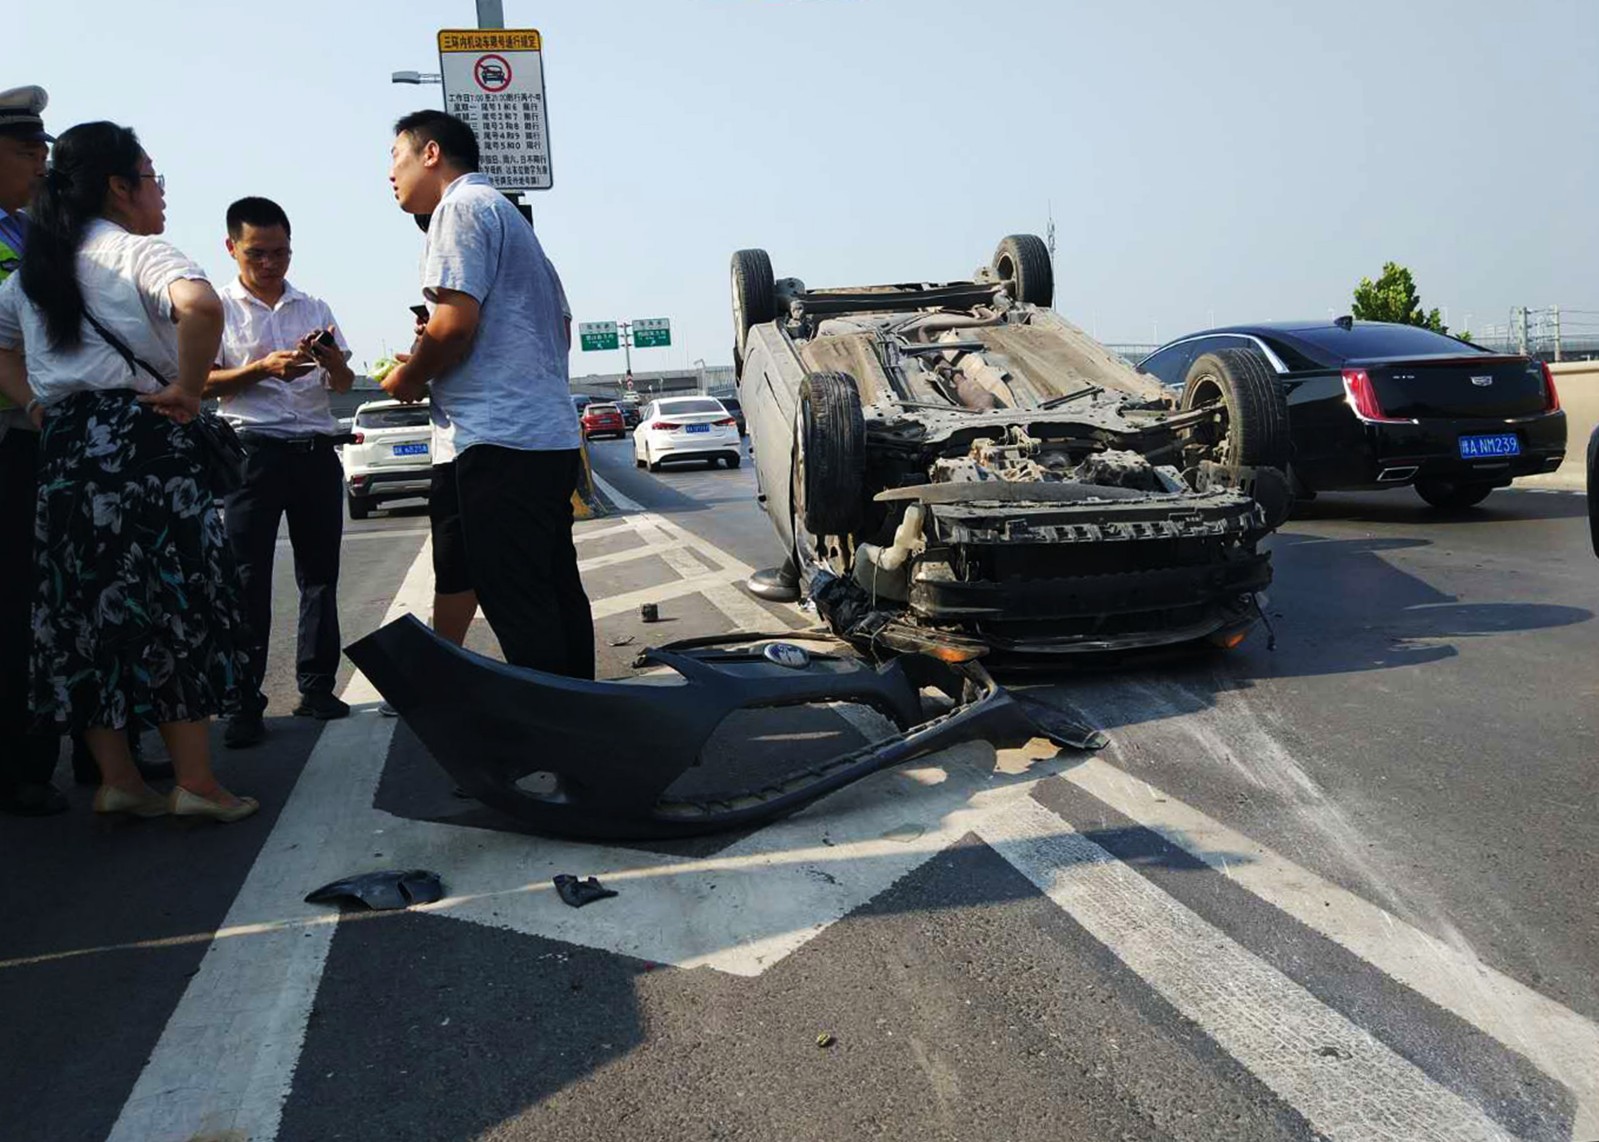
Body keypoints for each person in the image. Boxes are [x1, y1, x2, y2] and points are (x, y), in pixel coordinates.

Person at [0, 121, 257, 822]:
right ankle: (198, 784)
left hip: (66, 452)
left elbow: (2, 347)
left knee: (85, 612)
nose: (161, 195)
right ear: (119, 188)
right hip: (143, 441)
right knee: (172, 607)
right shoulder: (138, 252)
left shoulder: (35, 269)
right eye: (153, 179)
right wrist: (191, 388)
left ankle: (118, 781)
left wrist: (34, 407)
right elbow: (200, 306)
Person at [381, 110, 593, 679]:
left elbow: (453, 324)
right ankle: (588, 731)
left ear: (431, 154)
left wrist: (411, 375)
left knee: (518, 600)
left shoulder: (458, 208)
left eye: (395, 158)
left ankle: (560, 737)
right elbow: (555, 329)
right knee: (552, 588)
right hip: (540, 436)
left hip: (499, 440)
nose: (390, 176)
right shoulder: (513, 223)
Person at [206, 197, 354, 748]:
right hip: (251, 453)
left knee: (320, 577)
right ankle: (243, 701)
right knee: (245, 580)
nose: (270, 264)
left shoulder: (313, 306)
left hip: (315, 450)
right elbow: (197, 384)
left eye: (280, 253)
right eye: (257, 253)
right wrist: (262, 368)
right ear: (231, 249)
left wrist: (331, 361)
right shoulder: (214, 308)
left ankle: (316, 688)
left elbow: (342, 384)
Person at [0, 85, 64, 815]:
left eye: (43, 151)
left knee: (35, 606)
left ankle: (32, 754)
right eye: (25, 152)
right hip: (15, 434)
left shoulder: (27, 232)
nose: (39, 165)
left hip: (34, 439)